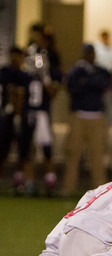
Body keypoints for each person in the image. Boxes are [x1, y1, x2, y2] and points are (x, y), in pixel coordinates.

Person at [15, 25, 62, 196]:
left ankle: (50, 182)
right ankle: (24, 182)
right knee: (25, 149)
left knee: (47, 149)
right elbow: (19, 94)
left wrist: (45, 76)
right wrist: (18, 114)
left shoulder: (50, 68)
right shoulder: (25, 73)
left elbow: (53, 92)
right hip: (29, 113)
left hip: (42, 113)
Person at [63, 44, 110, 196]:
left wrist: (86, 82)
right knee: (73, 153)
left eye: (92, 53)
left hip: (96, 116)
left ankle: (100, 191)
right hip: (78, 116)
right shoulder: (77, 70)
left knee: (97, 156)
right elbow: (73, 87)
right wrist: (89, 83)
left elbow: (103, 82)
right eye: (88, 52)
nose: (91, 55)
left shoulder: (100, 70)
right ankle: (68, 187)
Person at [0, 46, 26, 180]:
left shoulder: (24, 75)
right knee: (2, 150)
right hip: (5, 116)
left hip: (21, 116)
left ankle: (19, 180)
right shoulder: (4, 72)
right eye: (13, 56)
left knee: (22, 151)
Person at [94, 29, 112, 128]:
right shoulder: (97, 49)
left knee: (109, 106)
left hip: (109, 83)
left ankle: (108, 125)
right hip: (98, 82)